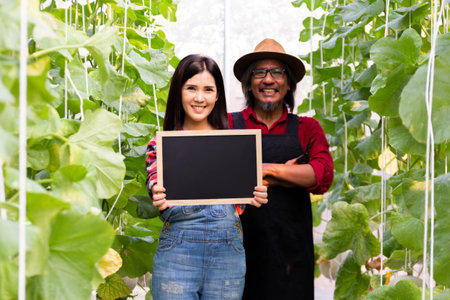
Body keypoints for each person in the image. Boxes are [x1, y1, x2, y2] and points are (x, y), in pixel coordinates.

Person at [145, 54, 268, 300]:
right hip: (177, 255)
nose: (200, 98)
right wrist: (157, 191)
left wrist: (255, 194)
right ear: (178, 92)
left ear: (217, 95)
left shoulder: (236, 144)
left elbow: (241, 200)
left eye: (208, 89)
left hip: (228, 255)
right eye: (191, 88)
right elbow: (155, 183)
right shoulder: (159, 145)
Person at [228, 38, 334, 300]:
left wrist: (267, 171)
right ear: (249, 84)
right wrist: (292, 174)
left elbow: (321, 176)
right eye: (259, 72)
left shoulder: (307, 127)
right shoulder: (228, 124)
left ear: (288, 85)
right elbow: (217, 176)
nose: (268, 79)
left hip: (291, 255)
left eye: (277, 72)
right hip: (235, 252)